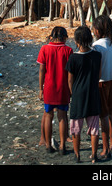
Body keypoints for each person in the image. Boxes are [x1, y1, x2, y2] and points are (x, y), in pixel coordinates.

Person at [66, 26, 102, 163]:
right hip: (93, 93)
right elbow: (99, 75)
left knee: (76, 127)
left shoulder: (73, 58)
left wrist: (72, 93)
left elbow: (70, 79)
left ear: (76, 41)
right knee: (94, 127)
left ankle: (77, 155)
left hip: (78, 95)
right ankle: (94, 155)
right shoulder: (97, 56)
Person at [37, 26, 73, 155]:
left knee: (48, 115)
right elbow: (70, 74)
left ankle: (47, 144)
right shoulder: (68, 50)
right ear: (64, 37)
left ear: (51, 36)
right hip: (63, 88)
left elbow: (42, 70)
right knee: (62, 117)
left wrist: (40, 89)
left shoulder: (45, 49)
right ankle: (63, 145)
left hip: (49, 88)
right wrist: (71, 90)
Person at [92, 15, 112, 159]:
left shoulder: (97, 46)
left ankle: (104, 148)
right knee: (111, 115)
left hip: (101, 82)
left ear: (98, 30)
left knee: (102, 116)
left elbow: (95, 68)